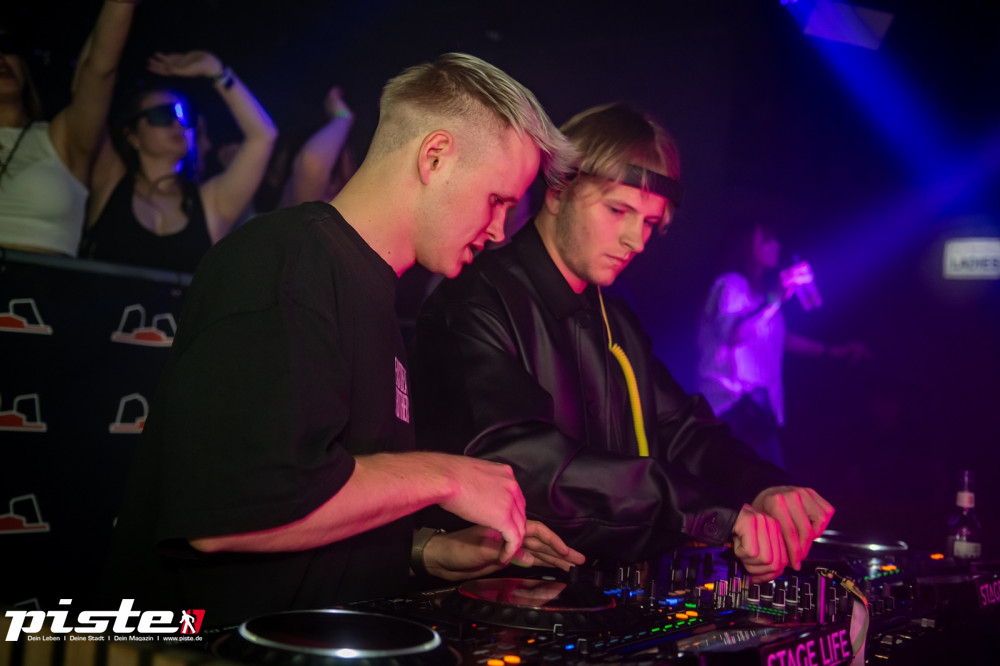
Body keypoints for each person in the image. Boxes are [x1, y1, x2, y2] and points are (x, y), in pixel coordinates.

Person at [100, 52, 583, 629]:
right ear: (434, 157)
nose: (501, 229)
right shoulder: (286, 261)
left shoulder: (369, 290)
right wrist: (447, 476)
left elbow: (315, 501)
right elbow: (232, 515)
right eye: (498, 199)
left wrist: (426, 550)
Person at [409, 103, 835, 583]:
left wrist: (762, 487)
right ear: (558, 190)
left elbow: (682, 431)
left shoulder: (615, 320)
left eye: (649, 222)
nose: (637, 240)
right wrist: (713, 513)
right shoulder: (472, 304)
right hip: (490, 606)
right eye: (618, 210)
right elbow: (526, 464)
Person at [79, 50, 277, 273]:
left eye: (184, 115)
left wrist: (216, 71)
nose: (177, 124)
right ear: (132, 136)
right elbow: (93, 83)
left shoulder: (210, 203)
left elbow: (263, 136)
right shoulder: (109, 180)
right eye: (162, 115)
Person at [696, 220, 871, 468]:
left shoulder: (759, 296)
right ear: (746, 246)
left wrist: (835, 351)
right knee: (758, 483)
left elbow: (782, 340)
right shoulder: (731, 284)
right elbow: (734, 335)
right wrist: (777, 296)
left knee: (770, 481)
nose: (776, 245)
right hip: (729, 409)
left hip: (756, 415)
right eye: (767, 240)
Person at [0, 0, 136, 256]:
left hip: (43, 279)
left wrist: (120, 4)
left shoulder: (59, 138)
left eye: (6, 46)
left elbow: (99, 72)